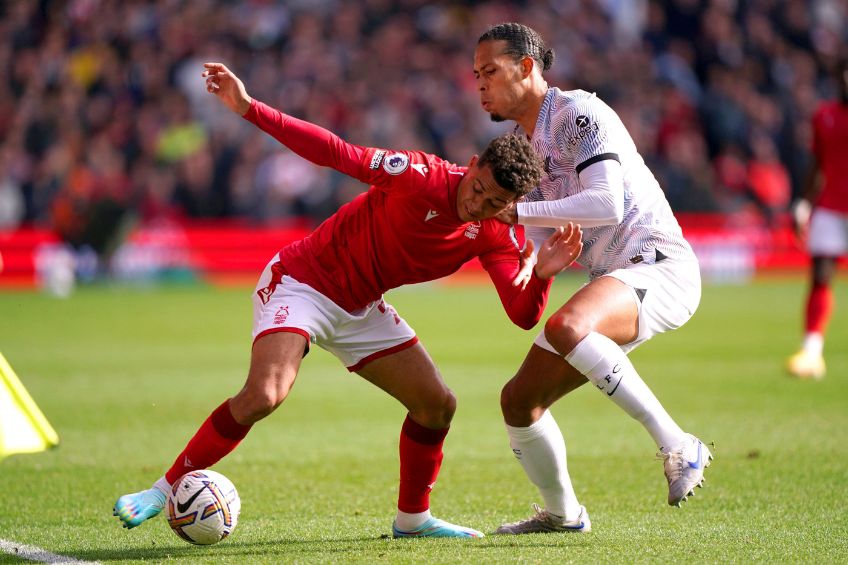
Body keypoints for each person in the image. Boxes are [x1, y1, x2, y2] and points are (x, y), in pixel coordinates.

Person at [113, 62, 584, 539]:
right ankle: (160, 489)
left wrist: (543, 274)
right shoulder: (420, 175)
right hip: (303, 281)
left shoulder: (495, 232)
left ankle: (413, 522)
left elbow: (522, 316)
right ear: (474, 163)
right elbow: (336, 152)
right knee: (265, 395)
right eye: (477, 188)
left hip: (360, 307)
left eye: (492, 202)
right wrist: (249, 108)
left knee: (437, 406)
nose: (476, 204)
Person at [472, 23, 712, 534]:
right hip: (612, 280)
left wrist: (519, 214)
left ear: (528, 68)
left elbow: (606, 203)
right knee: (518, 402)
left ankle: (677, 444)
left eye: (490, 71)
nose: (480, 84)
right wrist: (528, 266)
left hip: (658, 266)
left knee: (567, 326)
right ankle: (563, 515)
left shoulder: (578, 112)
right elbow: (537, 236)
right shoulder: (521, 144)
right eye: (477, 75)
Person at [786, 58, 848, 380]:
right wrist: (804, 204)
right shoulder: (824, 116)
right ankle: (812, 352)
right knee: (821, 274)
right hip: (830, 206)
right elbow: (817, 163)